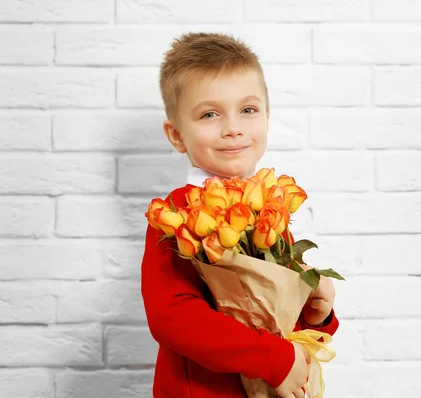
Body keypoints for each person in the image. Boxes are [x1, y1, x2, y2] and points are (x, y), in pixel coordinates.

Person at [141, 32, 339, 398]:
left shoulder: (268, 208)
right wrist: (276, 360)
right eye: (209, 114)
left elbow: (276, 314)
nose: (232, 127)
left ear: (266, 116)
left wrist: (315, 313)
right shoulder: (177, 216)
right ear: (177, 135)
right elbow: (174, 318)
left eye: (247, 110)